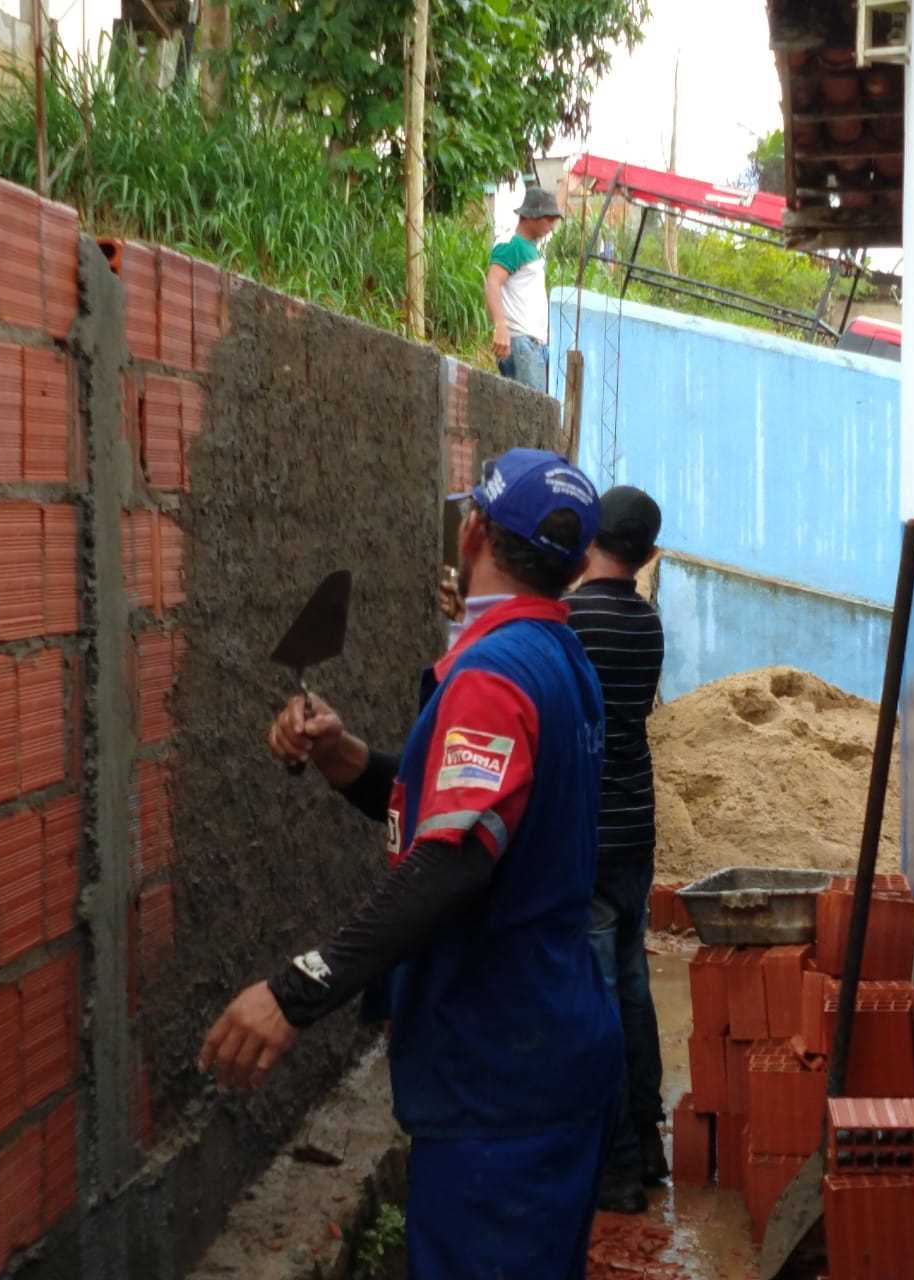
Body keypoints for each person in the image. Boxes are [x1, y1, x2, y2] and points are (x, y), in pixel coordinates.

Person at [198, 448, 625, 1280]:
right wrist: (348, 760)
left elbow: (452, 860)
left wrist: (298, 990)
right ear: (577, 568)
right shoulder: (557, 656)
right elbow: (484, 816)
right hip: (547, 1048)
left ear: (472, 533)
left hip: (500, 1073)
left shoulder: (492, 677)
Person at [565, 484, 666, 1215]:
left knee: (596, 999)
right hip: (637, 830)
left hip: (590, 836)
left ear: (588, 539)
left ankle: (618, 1167)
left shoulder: (570, 621)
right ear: (650, 554)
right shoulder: (648, 623)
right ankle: (650, 1143)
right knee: (632, 987)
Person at [484, 186, 563, 392]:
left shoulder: (529, 247)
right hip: (521, 343)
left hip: (531, 345)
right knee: (533, 409)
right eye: (548, 220)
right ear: (531, 216)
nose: (551, 227)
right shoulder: (512, 244)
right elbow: (493, 282)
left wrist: (566, 187)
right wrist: (500, 327)